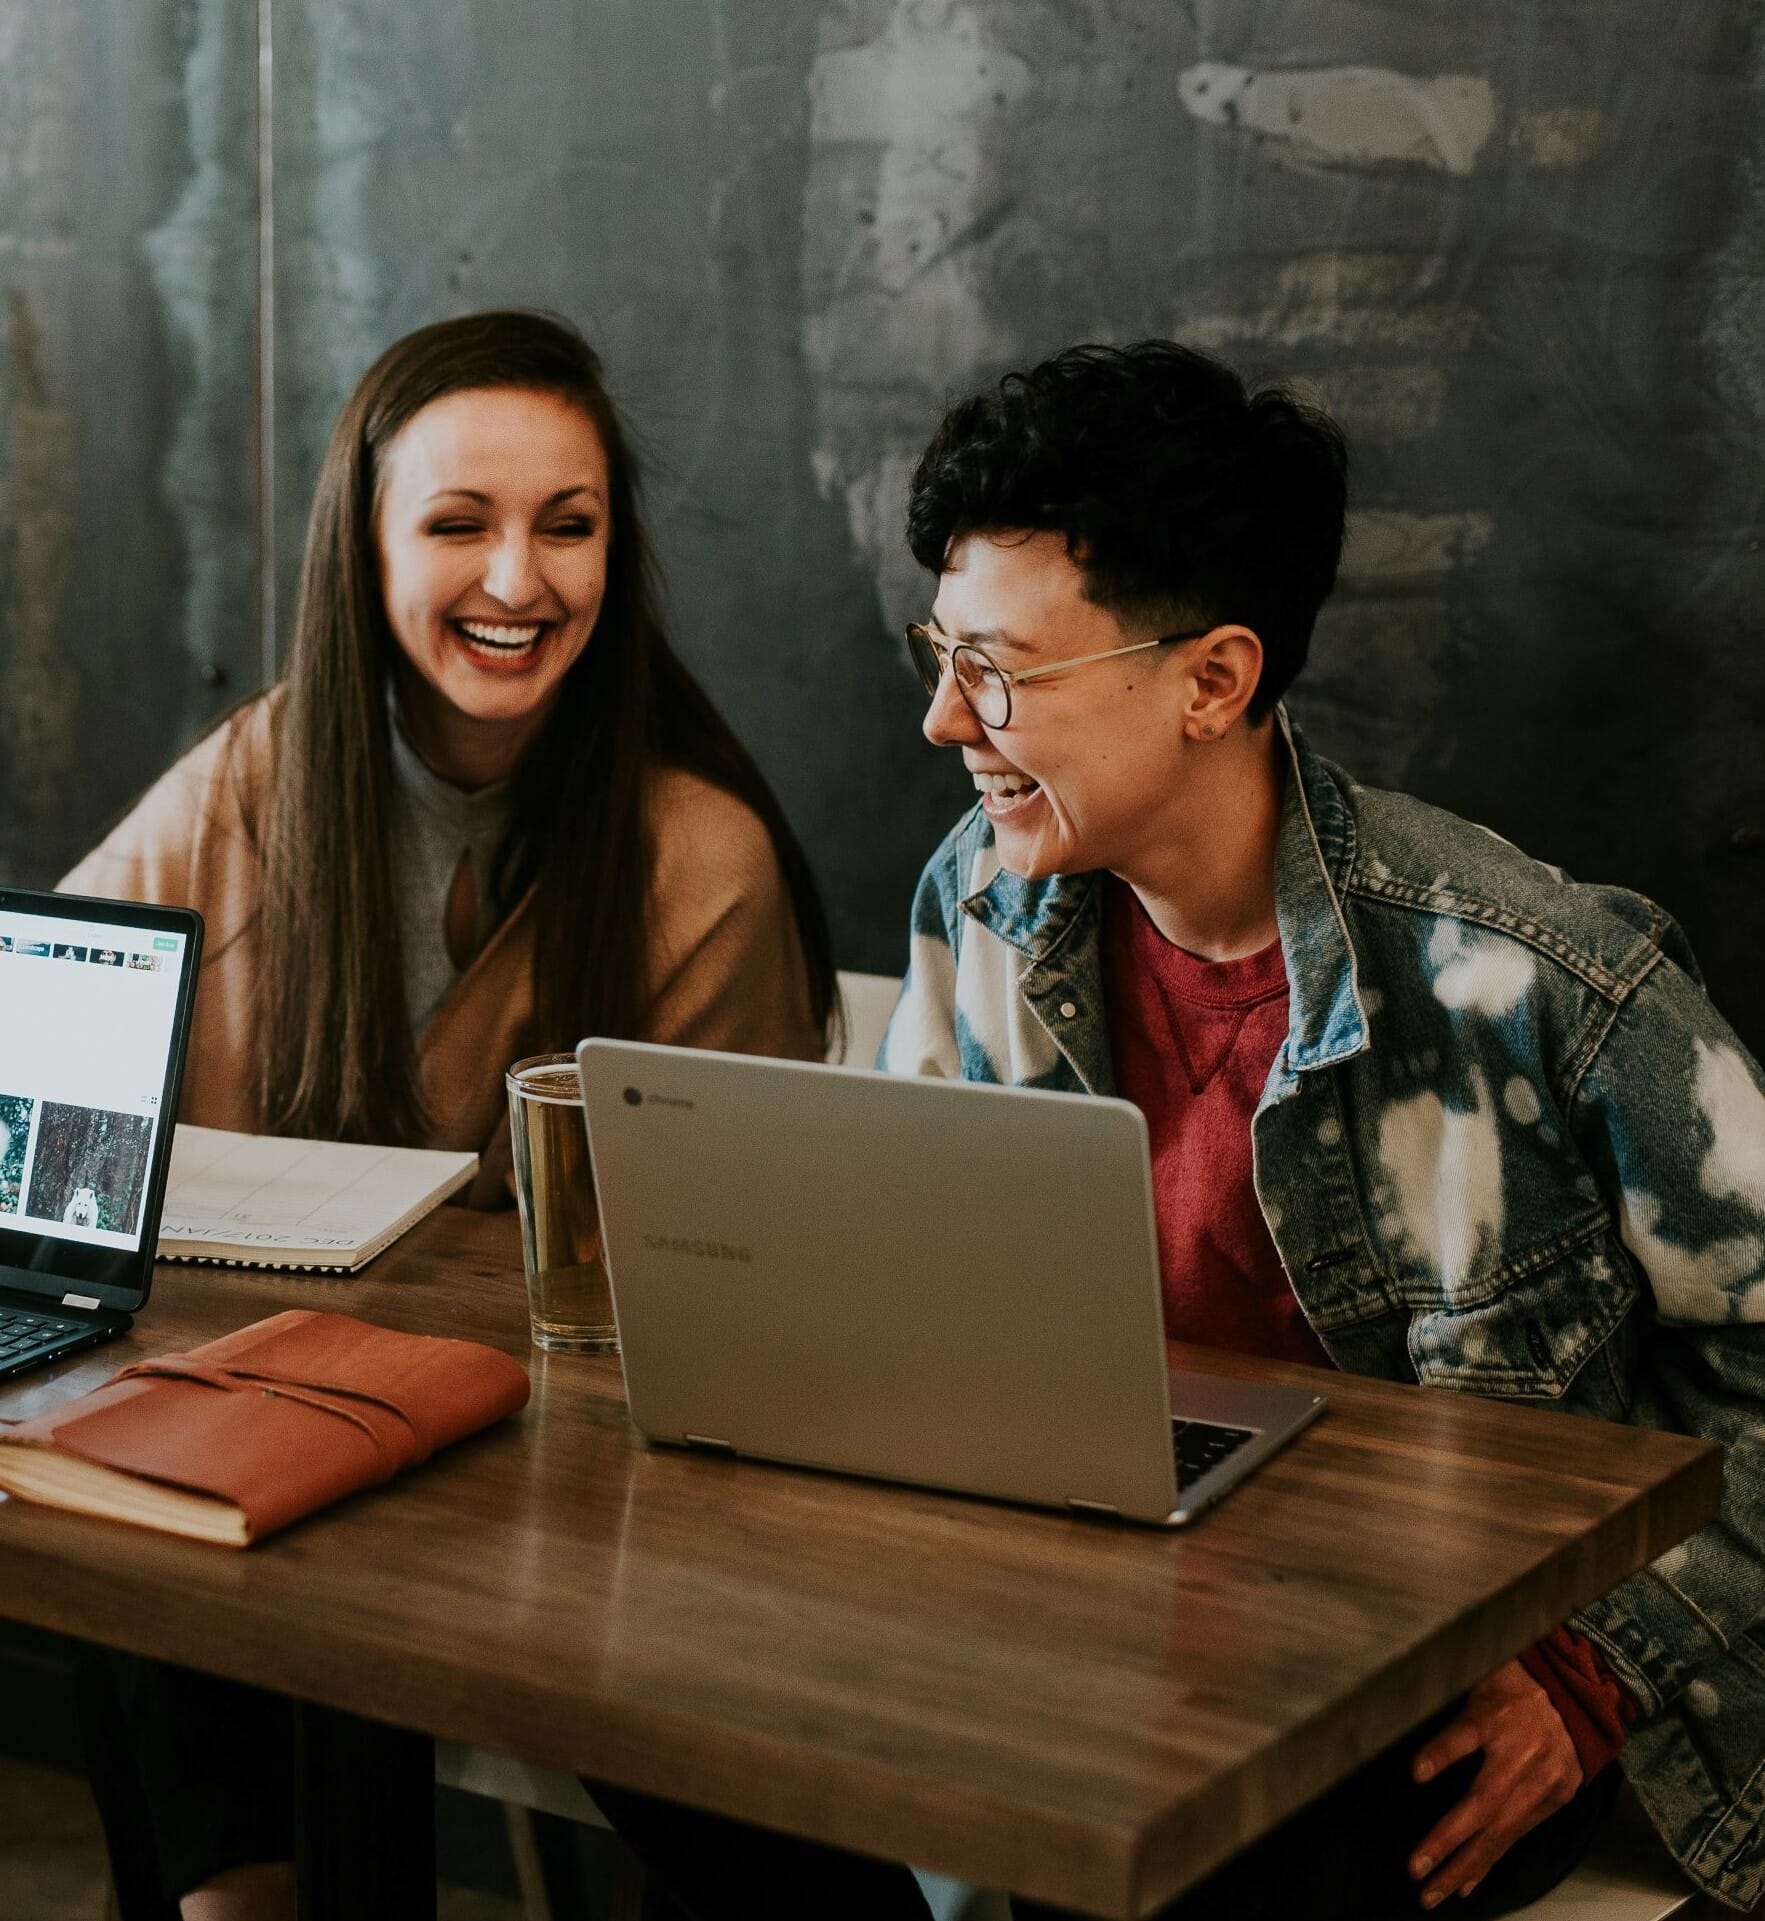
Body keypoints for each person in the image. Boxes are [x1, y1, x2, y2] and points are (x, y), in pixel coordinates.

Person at [598, 344, 1765, 1918]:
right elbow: (907, 1307)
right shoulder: (981, 897)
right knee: (645, 1703)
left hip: (1417, 1671)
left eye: (995, 669)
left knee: (1169, 1830)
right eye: (937, 652)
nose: (941, 718)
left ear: (1212, 682)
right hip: (1083, 1607)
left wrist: (1593, 1667)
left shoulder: (1532, 979)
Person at [66, 307, 838, 1921]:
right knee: (141, 1528)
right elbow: (53, 1054)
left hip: (577, 1500)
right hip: (259, 1442)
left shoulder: (698, 856)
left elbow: (723, 1291)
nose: (516, 579)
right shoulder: (254, 780)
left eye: (569, 525)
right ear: (362, 550)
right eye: (456, 524)